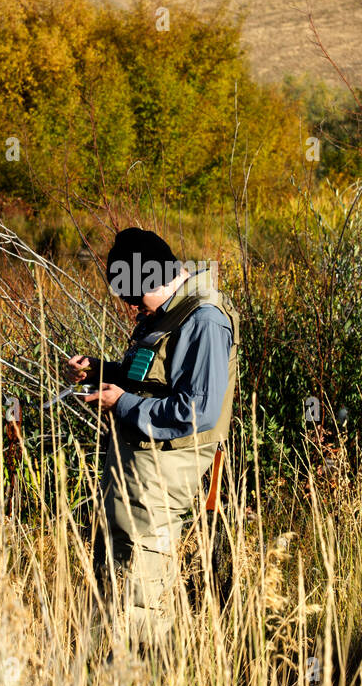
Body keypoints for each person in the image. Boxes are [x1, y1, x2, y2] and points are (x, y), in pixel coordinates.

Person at [66, 228, 239, 647]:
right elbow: (155, 381)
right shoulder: (168, 313)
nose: (130, 310)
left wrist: (121, 405)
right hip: (134, 475)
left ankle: (149, 683)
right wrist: (101, 371)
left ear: (154, 279)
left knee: (142, 593)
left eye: (132, 298)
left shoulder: (205, 320)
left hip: (161, 479)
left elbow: (196, 410)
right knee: (114, 578)